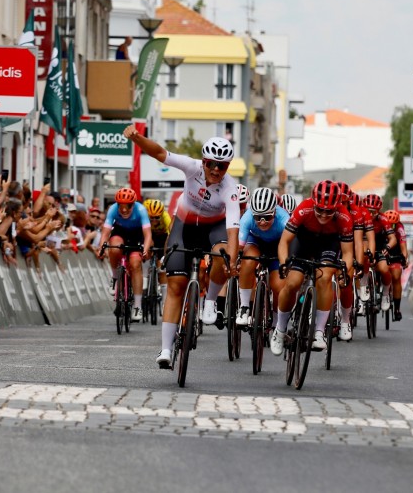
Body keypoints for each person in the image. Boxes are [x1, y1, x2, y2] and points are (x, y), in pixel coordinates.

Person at [123, 124, 240, 368]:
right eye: (211, 163)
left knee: (222, 256)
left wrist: (233, 258)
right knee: (176, 286)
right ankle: (165, 349)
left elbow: (232, 230)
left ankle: (209, 304)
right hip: (184, 226)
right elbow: (159, 153)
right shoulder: (192, 167)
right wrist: (136, 137)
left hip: (214, 230)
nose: (216, 170)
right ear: (204, 161)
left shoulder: (230, 189)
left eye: (222, 166)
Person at [272, 180, 357, 353]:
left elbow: (348, 253)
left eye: (329, 211)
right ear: (314, 204)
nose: (324, 215)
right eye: (320, 209)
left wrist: (344, 271)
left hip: (328, 244)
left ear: (336, 206)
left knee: (324, 277)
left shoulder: (344, 217)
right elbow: (284, 241)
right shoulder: (304, 208)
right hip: (303, 242)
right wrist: (283, 263)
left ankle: (318, 332)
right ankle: (279, 330)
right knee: (292, 283)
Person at [96, 187, 153, 322]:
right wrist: (101, 247)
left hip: (136, 234)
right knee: (114, 248)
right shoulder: (112, 210)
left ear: (133, 204)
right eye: (121, 206)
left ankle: (137, 306)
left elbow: (148, 234)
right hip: (120, 232)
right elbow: (105, 233)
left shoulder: (141, 210)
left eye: (127, 206)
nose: (124, 209)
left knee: (135, 264)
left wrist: (145, 248)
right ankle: (115, 277)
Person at [237, 187, 288, 326]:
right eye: (258, 217)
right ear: (253, 214)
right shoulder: (247, 218)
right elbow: (239, 248)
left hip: (277, 245)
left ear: (275, 212)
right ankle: (244, 307)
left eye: (268, 216)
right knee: (248, 260)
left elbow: (290, 246)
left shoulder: (285, 220)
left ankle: (277, 323)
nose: (263, 221)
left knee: (279, 286)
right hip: (256, 241)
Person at [143, 198, 172, 304]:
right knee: (146, 250)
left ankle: (164, 301)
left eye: (157, 218)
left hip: (162, 237)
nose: (154, 220)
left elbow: (170, 235)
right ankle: (145, 276)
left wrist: (165, 253)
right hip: (147, 234)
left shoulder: (166, 217)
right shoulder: (144, 215)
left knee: (162, 268)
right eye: (152, 218)